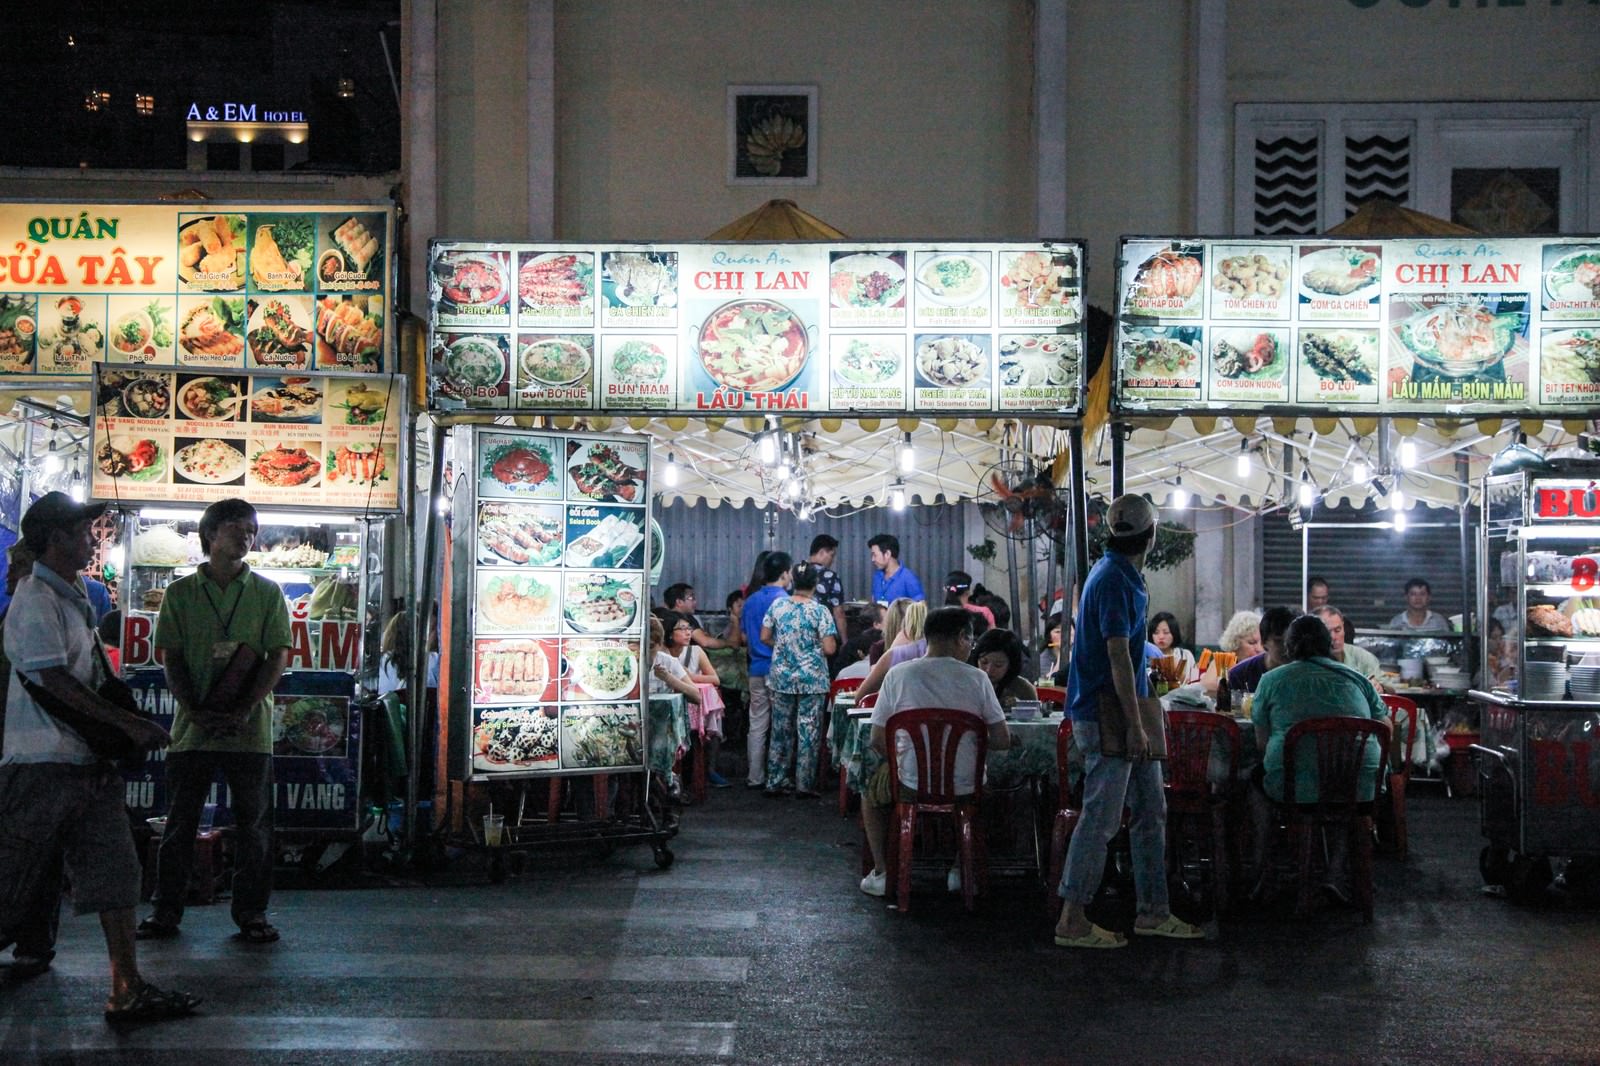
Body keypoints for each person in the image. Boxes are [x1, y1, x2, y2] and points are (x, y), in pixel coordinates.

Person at [0, 492, 197, 1021]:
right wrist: (126, 722)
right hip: (43, 764)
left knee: (115, 873)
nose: (95, 538)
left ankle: (126, 985)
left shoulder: (72, 597)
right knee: (11, 886)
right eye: (85, 531)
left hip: (86, 765)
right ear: (57, 539)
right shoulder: (35, 599)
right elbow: (54, 682)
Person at [1055, 494, 1202, 948]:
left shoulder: (1114, 574)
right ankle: (1072, 918)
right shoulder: (1118, 580)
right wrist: (1136, 723)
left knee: (1150, 813)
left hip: (1116, 710)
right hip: (1111, 714)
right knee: (1101, 818)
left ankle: (1154, 911)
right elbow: (1119, 654)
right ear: (1152, 536)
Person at [141, 499, 291, 946]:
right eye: (237, 528)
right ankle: (165, 910)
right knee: (180, 823)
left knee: (255, 827)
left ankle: (251, 913)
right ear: (210, 534)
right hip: (193, 729)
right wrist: (192, 708)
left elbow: (277, 655)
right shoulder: (181, 593)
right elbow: (171, 656)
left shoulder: (267, 592)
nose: (247, 536)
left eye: (251, 529)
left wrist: (245, 707)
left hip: (251, 729)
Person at [859, 607, 1011, 897]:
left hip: (909, 785)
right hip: (967, 787)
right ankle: (959, 869)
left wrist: (906, 760)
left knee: (869, 791)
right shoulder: (977, 679)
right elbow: (1001, 740)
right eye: (970, 640)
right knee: (994, 795)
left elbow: (878, 738)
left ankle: (883, 873)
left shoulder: (898, 676)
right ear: (961, 638)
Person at [1252, 614, 1386, 805]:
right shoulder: (1359, 680)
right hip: (1360, 789)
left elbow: (1262, 743)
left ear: (1289, 648)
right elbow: (1385, 729)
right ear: (1328, 644)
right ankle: (1366, 833)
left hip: (1294, 790)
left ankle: (1267, 835)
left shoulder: (1270, 681)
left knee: (1255, 778)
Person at [759, 562, 838, 798]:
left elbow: (764, 637)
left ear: (793, 581)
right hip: (811, 680)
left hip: (781, 678)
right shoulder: (820, 611)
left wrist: (785, 647)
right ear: (815, 584)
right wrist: (809, 650)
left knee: (780, 731)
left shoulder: (778, 605)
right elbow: (830, 648)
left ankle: (775, 780)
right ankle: (804, 784)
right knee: (809, 731)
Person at [739, 551, 791, 789]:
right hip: (778, 670)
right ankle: (777, 777)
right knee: (781, 725)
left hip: (755, 669)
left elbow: (743, 636)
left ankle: (755, 776)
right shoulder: (785, 601)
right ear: (784, 574)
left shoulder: (750, 601)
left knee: (757, 724)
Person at [665, 610, 728, 787]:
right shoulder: (663, 653)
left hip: (693, 708)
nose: (687, 633)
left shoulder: (696, 651)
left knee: (694, 739)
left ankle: (704, 774)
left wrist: (689, 676)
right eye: (682, 629)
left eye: (689, 628)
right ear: (670, 633)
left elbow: (715, 679)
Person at [1228, 606, 1299, 694]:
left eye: (1292, 641)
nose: (1286, 648)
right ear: (1264, 642)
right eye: (1279, 642)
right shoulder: (1240, 675)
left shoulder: (1310, 674)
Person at [1314, 605, 1383, 688]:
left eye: (1338, 630)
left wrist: (1380, 687)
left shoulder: (1363, 658)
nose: (1333, 637)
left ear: (1343, 628)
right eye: (1327, 632)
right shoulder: (1305, 662)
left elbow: (1391, 690)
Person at [972, 628, 1038, 711]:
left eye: (998, 665)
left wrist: (1020, 706)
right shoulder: (967, 684)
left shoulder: (1023, 689)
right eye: (984, 662)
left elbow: (1034, 719)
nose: (989, 670)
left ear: (1011, 665)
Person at [661, 583, 733, 651]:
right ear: (679, 602)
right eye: (692, 598)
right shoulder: (685, 619)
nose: (695, 602)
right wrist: (729, 643)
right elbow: (705, 642)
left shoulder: (662, 616)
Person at [647, 615, 701, 704]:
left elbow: (697, 697)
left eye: (650, 647)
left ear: (660, 644)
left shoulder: (669, 662)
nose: (645, 653)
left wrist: (669, 679)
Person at [807, 535, 849, 646]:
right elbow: (838, 612)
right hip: (824, 639)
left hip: (797, 637)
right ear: (821, 553)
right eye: (831, 555)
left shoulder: (794, 574)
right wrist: (844, 641)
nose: (833, 560)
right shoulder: (830, 577)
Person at [868, 533, 924, 605]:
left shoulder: (909, 579)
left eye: (874, 555)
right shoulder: (877, 576)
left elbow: (919, 609)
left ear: (887, 554)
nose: (872, 559)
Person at [1147, 611, 1197, 683]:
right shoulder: (1147, 657)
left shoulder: (1186, 655)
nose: (1161, 637)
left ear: (1174, 633)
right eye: (1156, 632)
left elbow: (1195, 679)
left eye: (1166, 632)